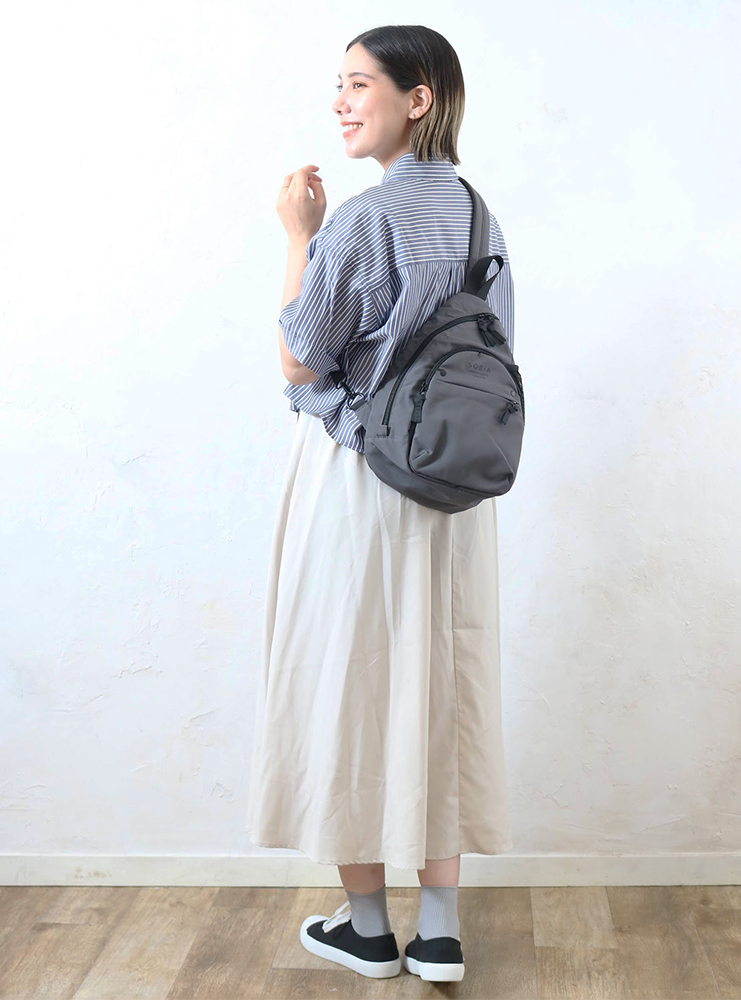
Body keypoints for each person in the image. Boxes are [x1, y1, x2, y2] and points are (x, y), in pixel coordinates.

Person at [246, 25, 515, 983]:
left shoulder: (362, 220)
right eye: (340, 84)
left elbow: (299, 359)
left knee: (347, 686)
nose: (342, 102)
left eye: (359, 84)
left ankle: (368, 929)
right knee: (441, 686)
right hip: (454, 493)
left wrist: (298, 237)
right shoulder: (480, 218)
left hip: (361, 485)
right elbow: (496, 358)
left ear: (419, 97)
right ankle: (439, 930)